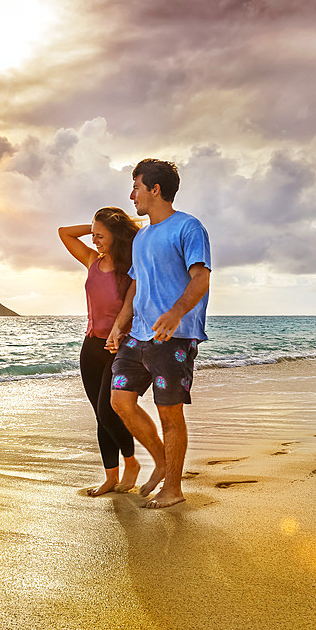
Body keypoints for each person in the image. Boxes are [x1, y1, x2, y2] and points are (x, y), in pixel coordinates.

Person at [106, 159, 211, 509]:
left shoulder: (189, 227)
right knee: (120, 401)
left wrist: (175, 313)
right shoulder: (143, 237)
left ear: (155, 189)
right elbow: (135, 288)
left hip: (174, 337)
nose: (131, 194)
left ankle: (174, 488)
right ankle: (162, 463)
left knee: (169, 413)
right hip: (137, 336)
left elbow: (201, 278)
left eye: (136, 186)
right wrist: (120, 326)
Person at [58, 207, 142, 496]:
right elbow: (63, 233)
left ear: (116, 236)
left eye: (100, 236)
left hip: (120, 347)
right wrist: (95, 225)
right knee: (99, 414)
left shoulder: (131, 268)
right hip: (91, 345)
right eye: (93, 235)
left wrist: (115, 227)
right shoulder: (93, 260)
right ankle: (110, 477)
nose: (94, 241)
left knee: (109, 411)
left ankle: (132, 464)